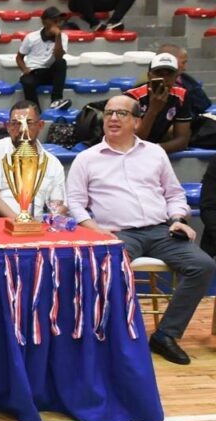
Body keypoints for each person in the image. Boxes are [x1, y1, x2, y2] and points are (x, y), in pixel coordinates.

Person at [66, 95, 215, 366]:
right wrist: (97, 231)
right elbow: (75, 204)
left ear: (136, 121)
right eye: (109, 113)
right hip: (117, 233)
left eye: (121, 114)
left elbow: (174, 193)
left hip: (162, 230)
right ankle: (116, 337)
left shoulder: (155, 152)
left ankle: (166, 335)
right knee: (109, 266)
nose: (112, 118)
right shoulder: (86, 159)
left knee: (202, 265)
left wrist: (179, 218)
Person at [0, 101, 66, 219]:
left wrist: (48, 224)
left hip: (37, 226)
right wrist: (20, 223)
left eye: (29, 123)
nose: (22, 129)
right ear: (8, 127)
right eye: (16, 124)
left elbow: (61, 204)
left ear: (41, 125)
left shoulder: (52, 162)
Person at [124, 53, 192, 153]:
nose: (165, 78)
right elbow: (133, 142)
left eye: (169, 73)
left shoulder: (181, 96)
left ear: (176, 77)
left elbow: (182, 141)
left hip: (155, 148)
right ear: (149, 75)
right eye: (159, 73)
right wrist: (153, 110)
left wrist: (154, 150)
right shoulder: (132, 97)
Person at [16, 6, 71, 111]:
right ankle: (35, 110)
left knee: (61, 62)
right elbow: (19, 57)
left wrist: (58, 36)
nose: (58, 22)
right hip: (34, 72)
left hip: (50, 72)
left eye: (59, 20)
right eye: (54, 19)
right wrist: (24, 69)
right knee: (27, 82)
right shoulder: (31, 37)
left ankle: (56, 100)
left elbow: (58, 56)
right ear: (44, 22)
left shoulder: (63, 37)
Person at [152, 45, 211, 119]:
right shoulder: (151, 85)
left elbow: (204, 104)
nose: (185, 68)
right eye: (183, 63)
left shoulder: (185, 79)